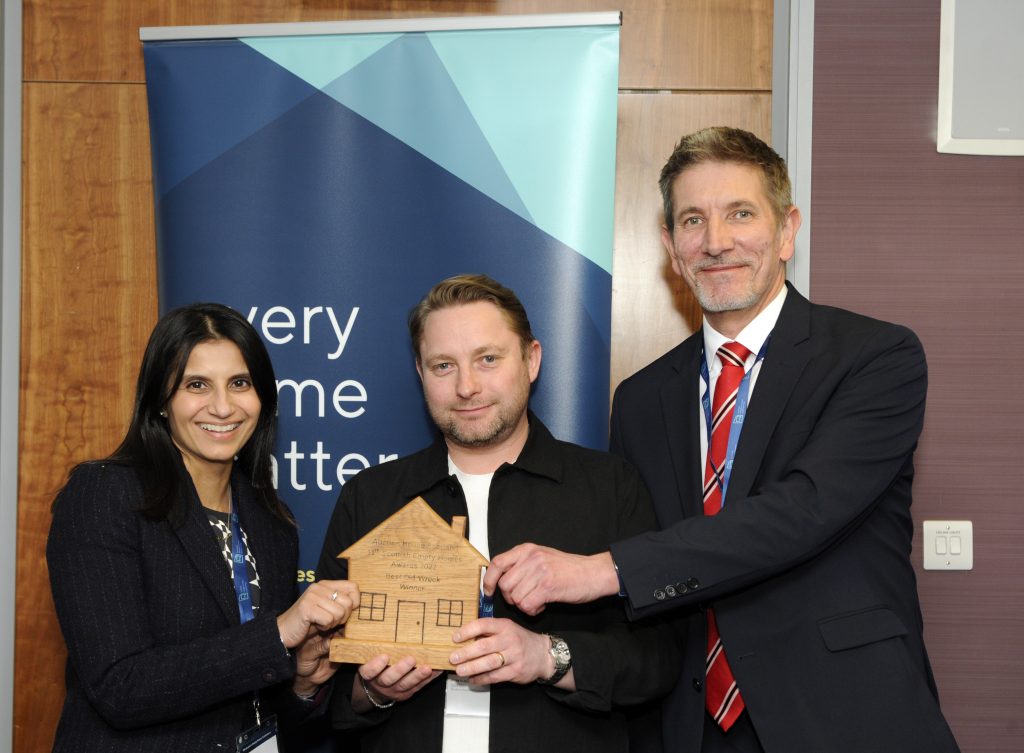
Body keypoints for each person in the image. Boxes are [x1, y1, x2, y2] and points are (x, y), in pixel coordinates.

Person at [483, 127, 961, 753]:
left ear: (788, 230)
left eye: (740, 213)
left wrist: (603, 570)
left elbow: (802, 512)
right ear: (670, 248)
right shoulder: (641, 399)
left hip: (845, 716)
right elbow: (645, 559)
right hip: (688, 727)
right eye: (692, 221)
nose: (716, 242)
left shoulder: (876, 358)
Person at [314, 274, 679, 753]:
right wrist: (375, 693)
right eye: (443, 365)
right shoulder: (370, 499)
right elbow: (322, 687)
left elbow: (658, 662)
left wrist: (548, 655)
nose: (467, 386)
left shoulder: (610, 487)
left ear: (531, 360)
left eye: (488, 359)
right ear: (420, 374)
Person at [46, 303, 359, 752]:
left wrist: (302, 683)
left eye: (240, 383)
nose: (222, 406)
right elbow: (120, 687)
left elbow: (254, 701)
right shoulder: (104, 495)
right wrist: (277, 634)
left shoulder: (272, 522)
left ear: (263, 398)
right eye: (197, 385)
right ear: (160, 399)